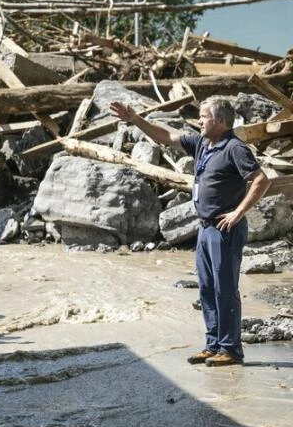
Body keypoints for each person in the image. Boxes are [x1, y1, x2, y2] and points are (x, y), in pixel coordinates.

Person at [110, 96, 270, 367]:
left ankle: (231, 350)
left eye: (204, 116)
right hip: (205, 228)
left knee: (225, 290)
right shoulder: (203, 145)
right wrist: (136, 120)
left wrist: (238, 212)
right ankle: (213, 345)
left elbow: (261, 179)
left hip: (225, 229)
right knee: (207, 289)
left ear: (220, 121)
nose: (199, 121)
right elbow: (168, 135)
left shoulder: (234, 148)